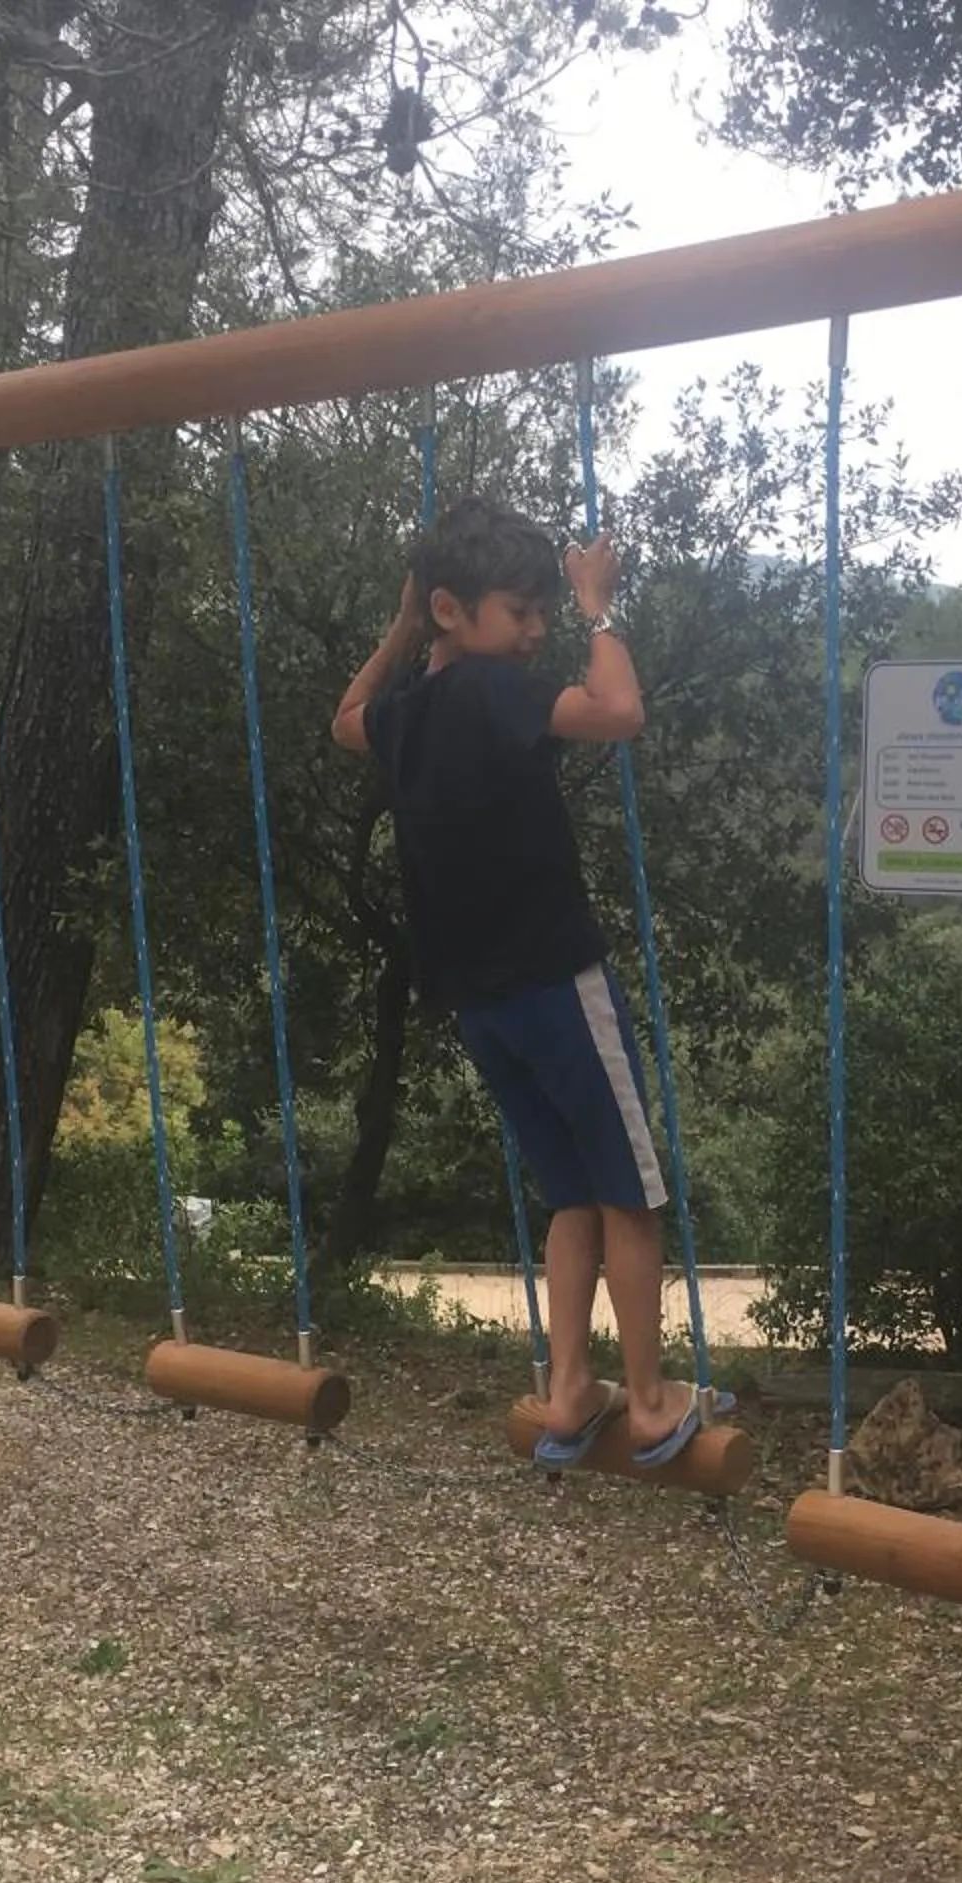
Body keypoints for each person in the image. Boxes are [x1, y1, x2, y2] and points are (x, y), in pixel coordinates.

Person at [329, 494, 701, 1468]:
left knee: (573, 1193)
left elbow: (345, 721)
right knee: (631, 1196)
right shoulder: (493, 690)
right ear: (457, 610)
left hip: (482, 1005)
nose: (535, 631)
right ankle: (654, 1404)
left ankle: (571, 1389)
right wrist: (596, 608)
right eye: (521, 611)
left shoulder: (408, 715)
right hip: (555, 982)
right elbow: (619, 711)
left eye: (545, 612)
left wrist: (404, 626)